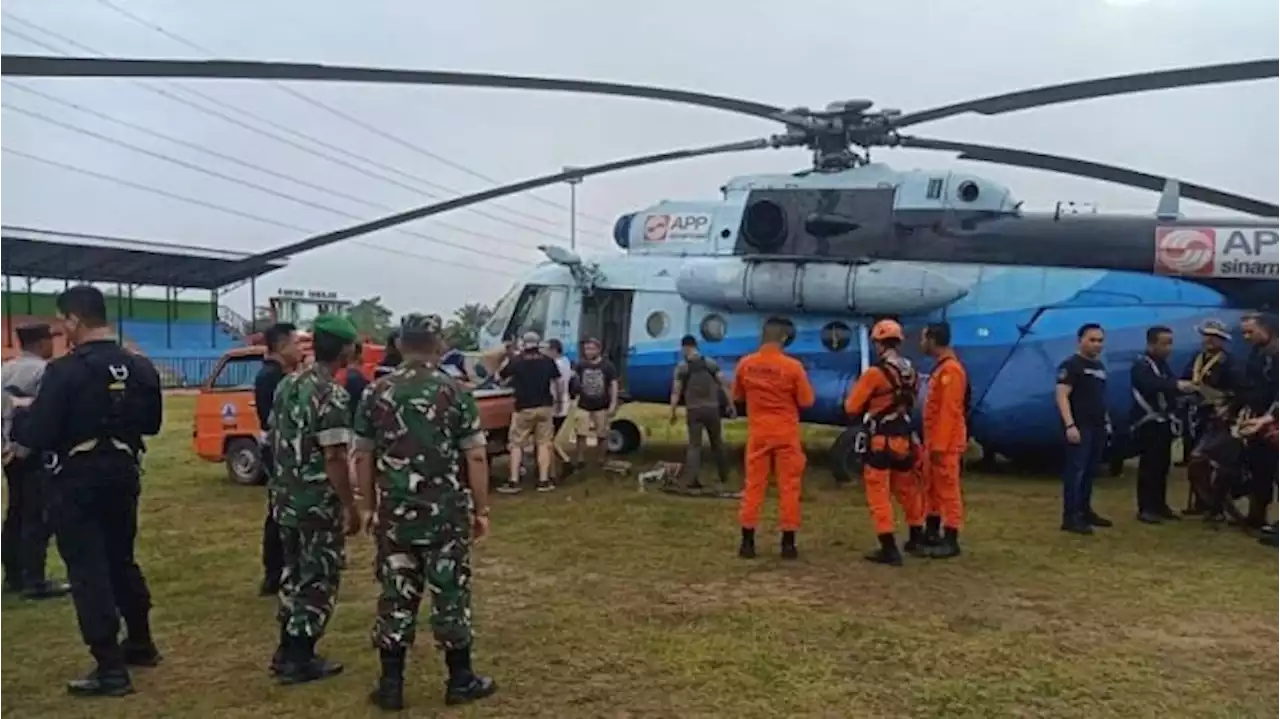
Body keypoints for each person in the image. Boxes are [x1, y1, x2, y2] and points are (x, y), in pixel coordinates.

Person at [15, 285, 163, 696]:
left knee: (87, 569)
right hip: (123, 471)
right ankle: (140, 640)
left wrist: (21, 416)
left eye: (65, 322)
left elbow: (40, 433)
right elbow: (151, 424)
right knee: (122, 560)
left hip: (77, 478)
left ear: (75, 321)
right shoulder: (140, 367)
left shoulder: (65, 371)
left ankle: (109, 667)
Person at [353, 314, 498, 711]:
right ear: (439, 344)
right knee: (450, 593)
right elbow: (477, 455)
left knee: (396, 593)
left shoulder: (375, 392)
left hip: (395, 516)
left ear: (399, 344)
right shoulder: (455, 391)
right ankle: (460, 679)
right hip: (445, 515)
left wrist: (366, 506)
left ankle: (391, 684)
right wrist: (481, 508)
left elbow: (362, 456)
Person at [266, 313, 361, 685]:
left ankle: (285, 648)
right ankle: (300, 658)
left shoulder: (287, 385)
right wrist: (350, 505)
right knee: (319, 578)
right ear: (346, 349)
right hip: (316, 503)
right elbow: (335, 456)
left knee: (293, 574)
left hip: (286, 498)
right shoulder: (331, 394)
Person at [732, 317, 815, 560]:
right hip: (786, 433)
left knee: (753, 486)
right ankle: (788, 543)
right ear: (783, 338)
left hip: (758, 432)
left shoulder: (745, 364)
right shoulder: (793, 367)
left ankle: (747, 542)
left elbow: (737, 396)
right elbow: (807, 401)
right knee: (789, 487)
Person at [844, 319, 925, 566]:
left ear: (878, 344)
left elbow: (851, 407)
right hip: (904, 440)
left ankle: (888, 547)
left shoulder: (875, 374)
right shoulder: (911, 373)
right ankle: (916, 536)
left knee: (879, 494)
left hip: (880, 441)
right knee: (908, 490)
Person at [0, 323, 70, 599]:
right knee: (37, 515)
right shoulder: (43, 371)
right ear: (42, 343)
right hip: (32, 451)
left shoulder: (5, 369)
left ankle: (13, 574)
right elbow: (45, 415)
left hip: (9, 452)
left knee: (15, 512)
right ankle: (35, 579)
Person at [1129, 326, 1197, 524]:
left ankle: (1159, 504)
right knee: (1149, 466)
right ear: (1152, 344)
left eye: (1170, 343)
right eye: (1165, 343)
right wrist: (1176, 385)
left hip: (1164, 422)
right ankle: (1146, 508)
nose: (1169, 348)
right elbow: (1151, 385)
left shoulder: (1162, 364)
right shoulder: (1142, 365)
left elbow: (1168, 382)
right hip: (1148, 421)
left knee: (1162, 465)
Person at [254, 322, 301, 597]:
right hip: (277, 448)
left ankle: (277, 570)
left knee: (278, 511)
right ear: (282, 346)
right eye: (295, 343)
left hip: (276, 446)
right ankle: (275, 572)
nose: (299, 349)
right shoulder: (273, 377)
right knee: (279, 512)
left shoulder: (275, 374)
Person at [1055, 323, 1114, 535]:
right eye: (1092, 340)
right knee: (1076, 471)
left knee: (1091, 470)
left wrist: (1106, 421)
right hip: (1080, 425)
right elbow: (1062, 395)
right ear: (1080, 340)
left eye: (1100, 340)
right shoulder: (1071, 365)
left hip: (1097, 425)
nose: (1097, 344)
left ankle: (1084, 509)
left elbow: (1100, 397)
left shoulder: (1099, 367)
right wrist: (1070, 424)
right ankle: (1070, 516)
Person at [918, 322, 968, 559]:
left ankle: (951, 537)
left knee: (948, 490)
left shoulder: (951, 371)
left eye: (923, 338)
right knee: (933, 488)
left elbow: (949, 410)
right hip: (935, 441)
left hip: (944, 443)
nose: (921, 343)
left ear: (932, 339)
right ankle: (932, 530)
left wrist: (939, 445)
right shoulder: (943, 369)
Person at [496, 332, 562, 494]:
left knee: (517, 444)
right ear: (538, 343)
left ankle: (514, 481)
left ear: (523, 344)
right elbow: (557, 382)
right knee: (544, 444)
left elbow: (499, 377)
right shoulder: (548, 360)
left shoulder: (516, 361)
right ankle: (544, 481)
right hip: (545, 406)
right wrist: (558, 402)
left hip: (523, 407)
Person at [1180, 320, 1234, 515]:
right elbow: (1188, 378)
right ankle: (1200, 502)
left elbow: (1235, 389)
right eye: (1206, 335)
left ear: (1222, 340)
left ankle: (1216, 505)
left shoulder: (1228, 362)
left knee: (1210, 460)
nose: (1209, 339)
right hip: (1197, 413)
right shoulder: (1197, 358)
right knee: (1194, 459)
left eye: (1214, 336)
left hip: (1218, 415)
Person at [668, 334, 735, 492]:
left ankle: (691, 480)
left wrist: (672, 411)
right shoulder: (710, 363)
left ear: (686, 347)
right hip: (712, 409)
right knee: (717, 443)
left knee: (694, 446)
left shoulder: (682, 367)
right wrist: (730, 404)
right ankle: (724, 476)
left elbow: (676, 391)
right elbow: (725, 384)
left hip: (694, 410)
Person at [1235, 312, 1280, 532]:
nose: (1246, 337)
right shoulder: (1256, 353)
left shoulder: (1277, 354)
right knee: (1258, 467)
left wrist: (1269, 417)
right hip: (1257, 416)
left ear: (1266, 329)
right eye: (1244, 332)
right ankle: (1257, 515)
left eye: (1250, 332)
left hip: (1274, 420)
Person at [571, 337, 619, 473]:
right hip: (583, 404)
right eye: (586, 349)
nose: (588, 351)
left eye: (591, 348)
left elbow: (613, 385)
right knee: (581, 433)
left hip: (601, 405)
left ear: (598, 349)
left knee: (602, 434)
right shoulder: (580, 365)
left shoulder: (607, 366)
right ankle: (580, 459)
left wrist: (613, 403)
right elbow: (575, 381)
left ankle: (601, 459)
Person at [545, 339, 572, 437]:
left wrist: (558, 402)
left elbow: (559, 383)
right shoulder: (565, 361)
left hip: (556, 399)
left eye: (547, 349)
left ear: (554, 350)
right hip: (564, 398)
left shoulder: (556, 364)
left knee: (552, 431)